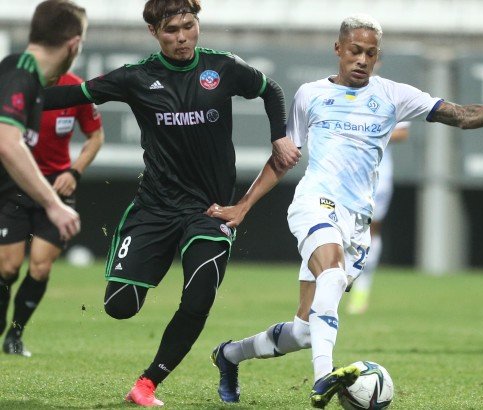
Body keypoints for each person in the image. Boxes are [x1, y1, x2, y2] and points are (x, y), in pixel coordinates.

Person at [209, 14, 483, 408]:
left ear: (377, 56)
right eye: (355, 51)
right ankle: (323, 377)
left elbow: (462, 116)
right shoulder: (310, 95)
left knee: (304, 331)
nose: (362, 60)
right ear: (338, 49)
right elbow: (283, 159)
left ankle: (229, 355)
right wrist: (243, 206)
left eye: (370, 53)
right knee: (332, 273)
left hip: (357, 221)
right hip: (315, 202)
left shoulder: (393, 95)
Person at [42, 0, 300, 406]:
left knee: (199, 298)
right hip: (155, 208)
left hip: (210, 210)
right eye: (171, 30)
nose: (182, 37)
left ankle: (147, 384)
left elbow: (271, 90)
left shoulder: (223, 68)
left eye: (188, 26)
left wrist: (279, 136)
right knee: (120, 307)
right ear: (154, 32)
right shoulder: (136, 77)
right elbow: (73, 94)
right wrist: (14, 98)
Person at [0, 70, 104, 357]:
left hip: (57, 189)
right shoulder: (15, 85)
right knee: (7, 267)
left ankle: (15, 334)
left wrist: (75, 172)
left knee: (41, 267)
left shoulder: (76, 89)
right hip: (15, 185)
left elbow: (96, 136)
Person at [0, 1, 85, 301]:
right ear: (74, 45)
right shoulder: (20, 77)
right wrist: (53, 204)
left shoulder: (20, 71)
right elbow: (8, 143)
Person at [346, 121, 409, 315]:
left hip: (378, 175)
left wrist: (366, 133)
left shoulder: (391, 101)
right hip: (345, 172)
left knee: (371, 229)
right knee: (340, 226)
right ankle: (332, 283)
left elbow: (402, 133)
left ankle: (362, 288)